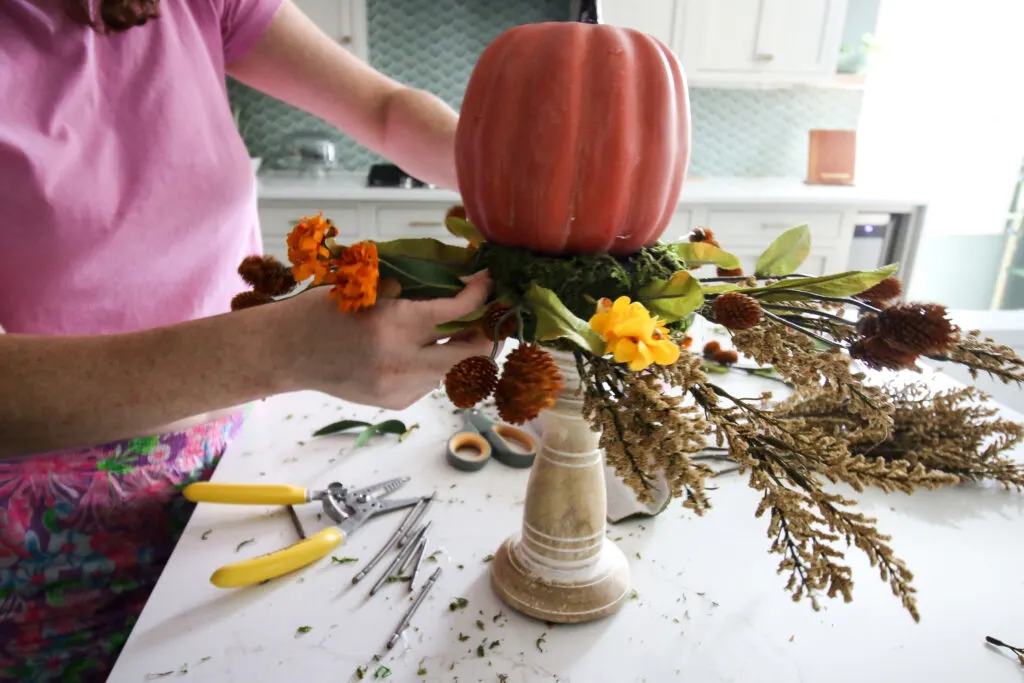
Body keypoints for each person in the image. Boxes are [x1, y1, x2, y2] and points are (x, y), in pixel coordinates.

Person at [0, 1, 493, 679]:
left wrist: (512, 180)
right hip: (49, 526)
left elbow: (383, 108)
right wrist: (281, 349)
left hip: (241, 446)